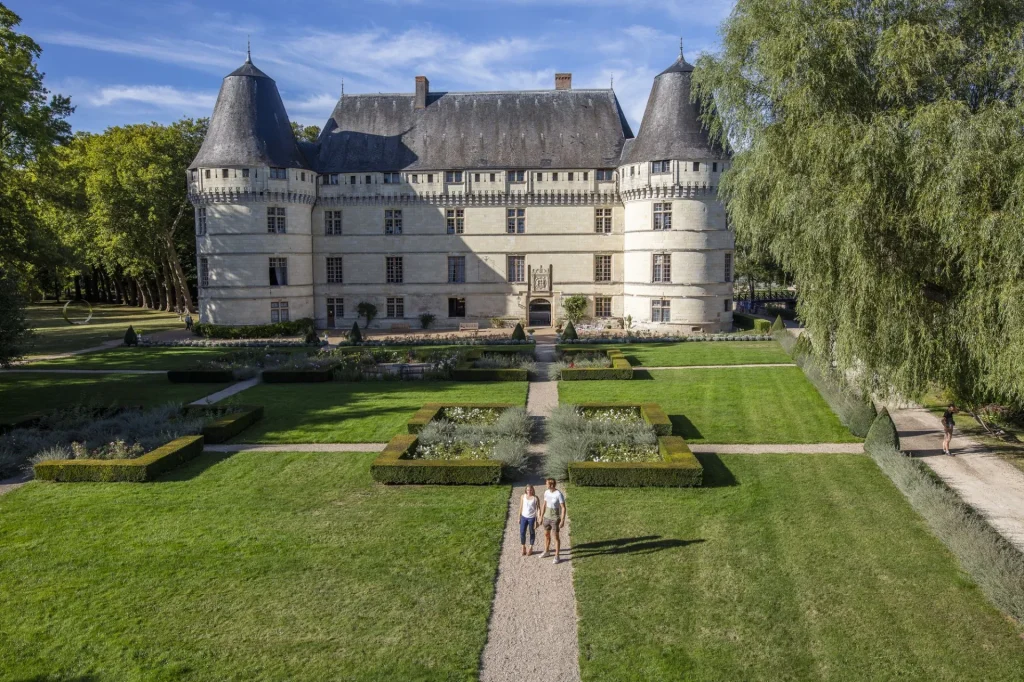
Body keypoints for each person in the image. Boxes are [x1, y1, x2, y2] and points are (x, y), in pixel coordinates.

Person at [538, 478, 567, 564]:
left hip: (555, 518)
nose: (546, 485)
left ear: (551, 484)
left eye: (546, 483)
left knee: (556, 537)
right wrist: (541, 516)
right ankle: (547, 551)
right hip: (546, 517)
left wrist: (562, 520)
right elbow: (544, 504)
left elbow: (563, 508)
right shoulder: (546, 492)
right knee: (546, 535)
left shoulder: (559, 494)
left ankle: (557, 556)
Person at [518, 484, 538, 556]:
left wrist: (537, 520)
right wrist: (519, 517)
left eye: (530, 490)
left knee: (532, 532)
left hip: (532, 518)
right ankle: (523, 547)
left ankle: (530, 547)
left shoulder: (535, 498)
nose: (529, 491)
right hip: (523, 517)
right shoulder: (523, 496)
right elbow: (520, 507)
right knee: (522, 532)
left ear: (533, 490)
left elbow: (537, 509)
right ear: (526, 490)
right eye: (528, 490)